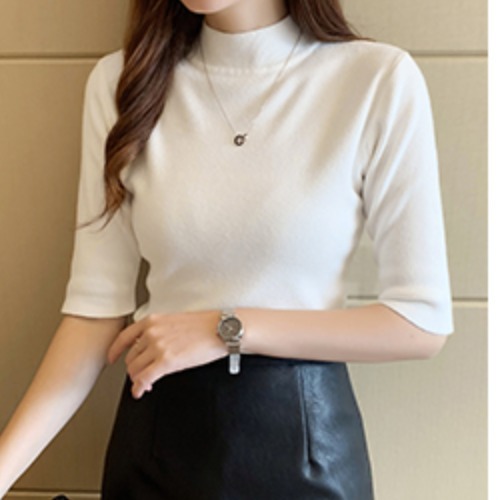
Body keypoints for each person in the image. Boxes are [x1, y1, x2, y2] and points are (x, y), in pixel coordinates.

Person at [0, 0, 454, 498]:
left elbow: (420, 323)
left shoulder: (376, 80)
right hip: (154, 451)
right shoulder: (122, 83)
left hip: (306, 457)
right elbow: (93, 315)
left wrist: (225, 329)